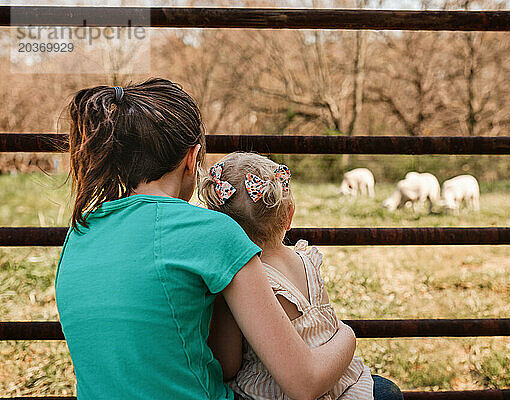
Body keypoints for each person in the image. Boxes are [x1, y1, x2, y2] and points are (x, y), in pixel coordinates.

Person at [54, 78, 357, 400]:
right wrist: (347, 334)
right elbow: (304, 383)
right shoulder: (211, 231)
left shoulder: (80, 230)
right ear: (192, 158)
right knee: (383, 389)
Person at [200, 152, 404, 400]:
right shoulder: (307, 260)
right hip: (346, 385)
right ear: (289, 215)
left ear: (219, 228)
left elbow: (227, 364)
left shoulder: (241, 281)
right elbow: (327, 324)